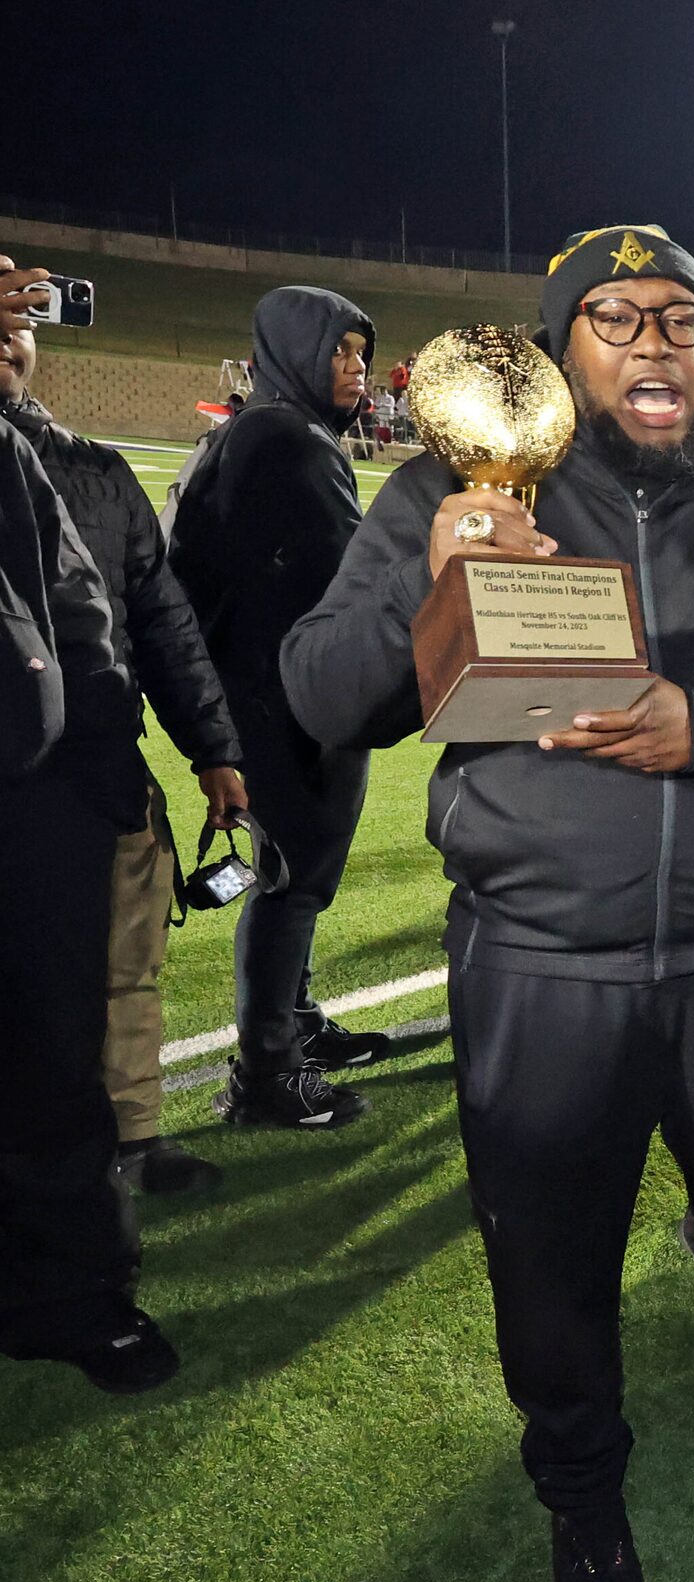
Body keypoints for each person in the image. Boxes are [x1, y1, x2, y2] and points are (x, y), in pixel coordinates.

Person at [282, 222, 694, 1582]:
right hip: (541, 963)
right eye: (613, 317)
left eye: (678, 315)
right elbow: (322, 695)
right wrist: (430, 588)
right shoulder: (452, 490)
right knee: (549, 1249)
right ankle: (579, 1482)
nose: (651, 340)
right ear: (561, 351)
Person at [0, 303, 247, 1197]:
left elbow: (163, 619)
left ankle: (134, 1138)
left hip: (100, 762)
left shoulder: (97, 470)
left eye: (21, 317)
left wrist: (214, 749)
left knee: (127, 961)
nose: (11, 331)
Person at [0, 260, 180, 1393]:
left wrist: (104, 773)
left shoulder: (27, 457)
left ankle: (69, 1298)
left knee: (50, 1063)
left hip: (35, 806)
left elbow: (90, 621)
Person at [167, 284, 386, 1128]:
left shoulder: (260, 429)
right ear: (296, 351)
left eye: (362, 353)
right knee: (291, 878)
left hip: (252, 685)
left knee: (288, 872)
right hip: (282, 694)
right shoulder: (288, 440)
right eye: (340, 351)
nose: (357, 368)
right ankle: (266, 1072)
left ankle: (290, 1025)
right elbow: (349, 576)